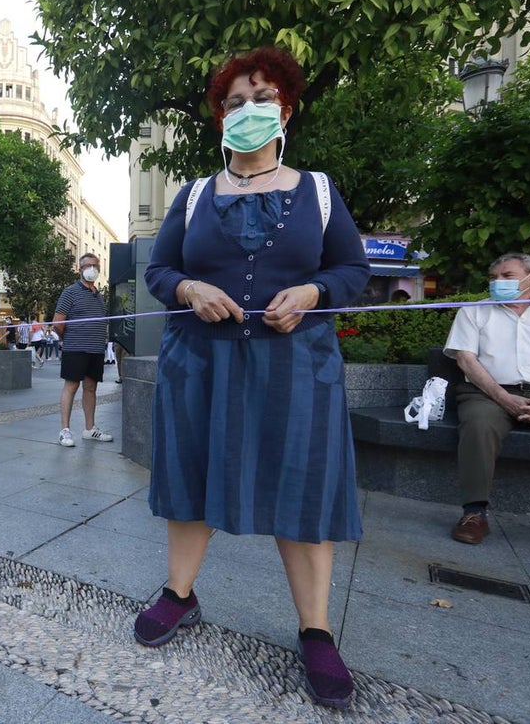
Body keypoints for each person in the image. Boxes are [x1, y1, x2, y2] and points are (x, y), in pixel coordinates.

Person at [135, 48, 370, 710]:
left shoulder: (319, 191)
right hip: (201, 366)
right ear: (220, 117)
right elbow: (158, 272)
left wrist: (315, 291)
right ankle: (179, 593)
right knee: (192, 480)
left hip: (297, 369)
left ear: (285, 110)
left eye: (260, 98)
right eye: (234, 102)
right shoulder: (194, 194)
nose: (246, 111)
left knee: (301, 488)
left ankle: (316, 629)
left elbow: (353, 271)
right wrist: (188, 285)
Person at [443, 253, 530, 544]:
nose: (497, 283)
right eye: (493, 277)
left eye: (506, 276)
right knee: (478, 425)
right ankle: (474, 513)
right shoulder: (473, 312)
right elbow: (466, 361)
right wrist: (504, 398)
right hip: (489, 393)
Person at [52, 253, 112, 447]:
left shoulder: (99, 295)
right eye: (88, 265)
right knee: (71, 386)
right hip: (75, 348)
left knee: (91, 388)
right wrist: (67, 339)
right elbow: (58, 323)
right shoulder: (70, 292)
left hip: (95, 350)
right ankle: (64, 431)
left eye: (95, 265)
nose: (92, 268)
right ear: (80, 269)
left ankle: (90, 428)